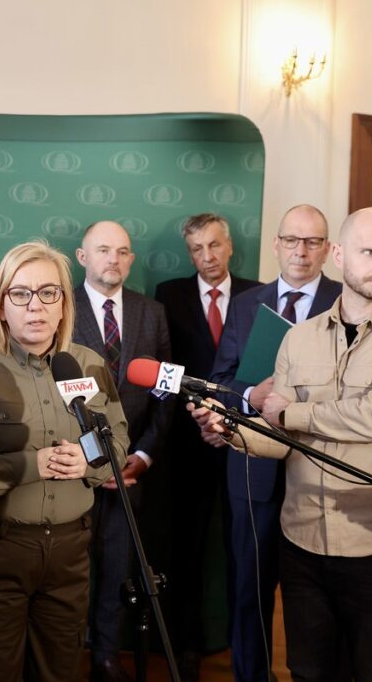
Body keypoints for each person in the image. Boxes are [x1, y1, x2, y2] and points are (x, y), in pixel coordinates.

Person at [196, 206, 372, 681]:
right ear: (340, 255)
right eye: (369, 252)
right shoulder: (300, 339)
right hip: (304, 538)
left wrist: (288, 412)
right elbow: (283, 440)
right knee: (309, 671)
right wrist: (231, 430)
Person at [0, 240, 129, 682]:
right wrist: (28, 466)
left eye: (48, 292)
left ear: (64, 305)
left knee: (59, 671)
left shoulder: (89, 366)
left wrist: (88, 462)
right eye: (20, 293)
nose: (35, 306)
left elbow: (116, 442)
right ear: (2, 307)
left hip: (70, 552)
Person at [208, 204, 341, 682]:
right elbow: (221, 380)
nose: (301, 251)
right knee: (251, 588)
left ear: (327, 249)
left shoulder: (347, 300)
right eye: (291, 240)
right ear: (276, 245)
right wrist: (250, 395)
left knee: (321, 596)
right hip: (254, 472)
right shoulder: (247, 304)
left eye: (312, 241)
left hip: (322, 469)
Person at [154, 212, 258, 680]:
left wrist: (231, 421)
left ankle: (246, 648)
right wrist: (196, 417)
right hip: (188, 441)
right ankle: (187, 645)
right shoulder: (169, 294)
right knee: (187, 550)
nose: (207, 256)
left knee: (245, 549)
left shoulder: (258, 294)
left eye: (214, 245)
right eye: (197, 249)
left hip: (246, 441)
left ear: (230, 246)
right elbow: (164, 367)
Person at [73, 220, 172, 682]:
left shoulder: (152, 313)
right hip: (74, 469)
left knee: (118, 568)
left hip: (131, 471)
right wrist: (95, 461)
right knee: (69, 573)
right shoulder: (59, 306)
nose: (113, 259)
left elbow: (165, 393)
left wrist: (145, 455)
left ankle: (106, 657)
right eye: (103, 250)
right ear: (82, 257)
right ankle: (64, 656)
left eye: (123, 251)